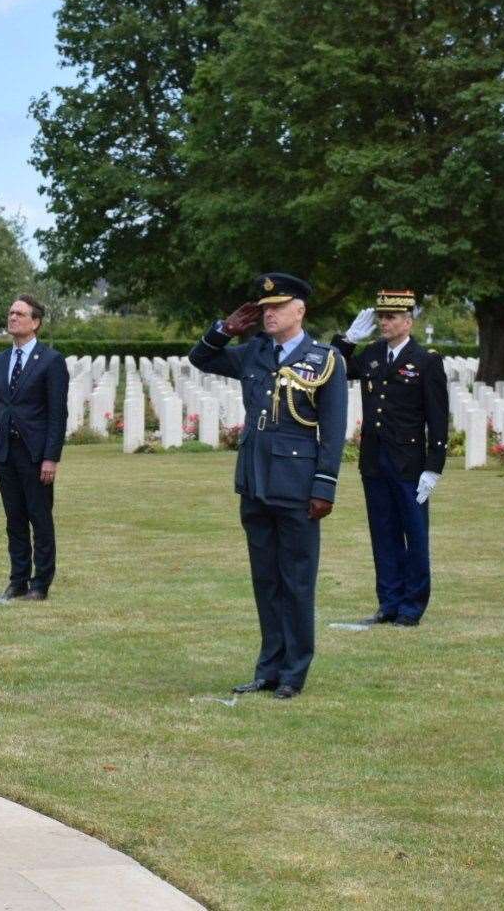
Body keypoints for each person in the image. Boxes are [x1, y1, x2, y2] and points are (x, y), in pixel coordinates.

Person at [189, 273, 347, 699]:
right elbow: (200, 359)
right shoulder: (254, 352)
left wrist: (324, 487)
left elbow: (332, 432)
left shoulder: (325, 360)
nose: (268, 314)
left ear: (300, 310)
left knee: (296, 580)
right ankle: (268, 668)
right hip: (254, 482)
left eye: (278, 306)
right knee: (265, 580)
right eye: (264, 308)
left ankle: (294, 672)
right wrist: (223, 331)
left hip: (297, 486)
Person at [331, 290, 449, 626]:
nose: (384, 322)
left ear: (408, 321)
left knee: (414, 534)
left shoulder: (426, 360)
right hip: (374, 460)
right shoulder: (370, 355)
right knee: (383, 534)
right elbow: (331, 370)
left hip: (409, 463)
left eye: (392, 317)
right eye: (381, 317)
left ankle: (412, 607)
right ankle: (389, 602)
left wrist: (433, 467)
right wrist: (347, 339)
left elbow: (438, 417)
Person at [0, 294, 70, 600]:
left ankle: (40, 583)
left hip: (34, 454)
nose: (12, 318)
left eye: (19, 314)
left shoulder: (51, 361)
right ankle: (17, 580)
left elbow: (57, 413)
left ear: (35, 322)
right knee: (14, 520)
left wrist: (51, 457)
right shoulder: (1, 360)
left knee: (39, 518)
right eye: (10, 313)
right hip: (5, 452)